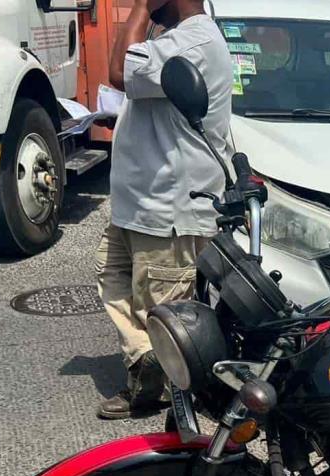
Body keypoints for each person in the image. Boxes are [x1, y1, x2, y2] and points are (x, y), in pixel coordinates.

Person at [95, 0, 233, 419]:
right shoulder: (173, 40)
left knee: (164, 309)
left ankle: (176, 407)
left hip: (168, 208)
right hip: (139, 204)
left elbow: (118, 72)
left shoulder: (194, 42)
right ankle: (146, 359)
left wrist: (140, 6)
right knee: (112, 272)